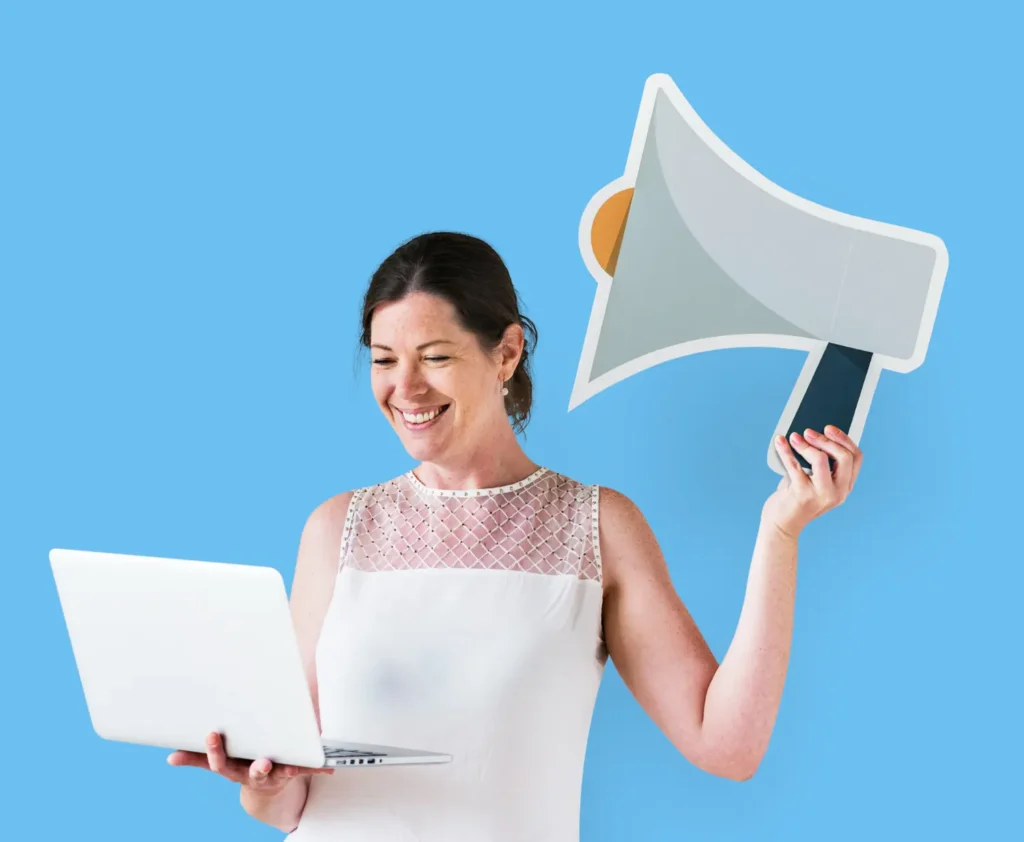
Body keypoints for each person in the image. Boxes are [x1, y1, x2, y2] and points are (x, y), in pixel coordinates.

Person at [168, 231, 864, 839]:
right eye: (383, 359)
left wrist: (781, 534)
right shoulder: (335, 529)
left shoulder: (596, 526)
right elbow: (292, 803)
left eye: (434, 356)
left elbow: (728, 746)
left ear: (506, 352)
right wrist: (261, 783)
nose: (404, 387)